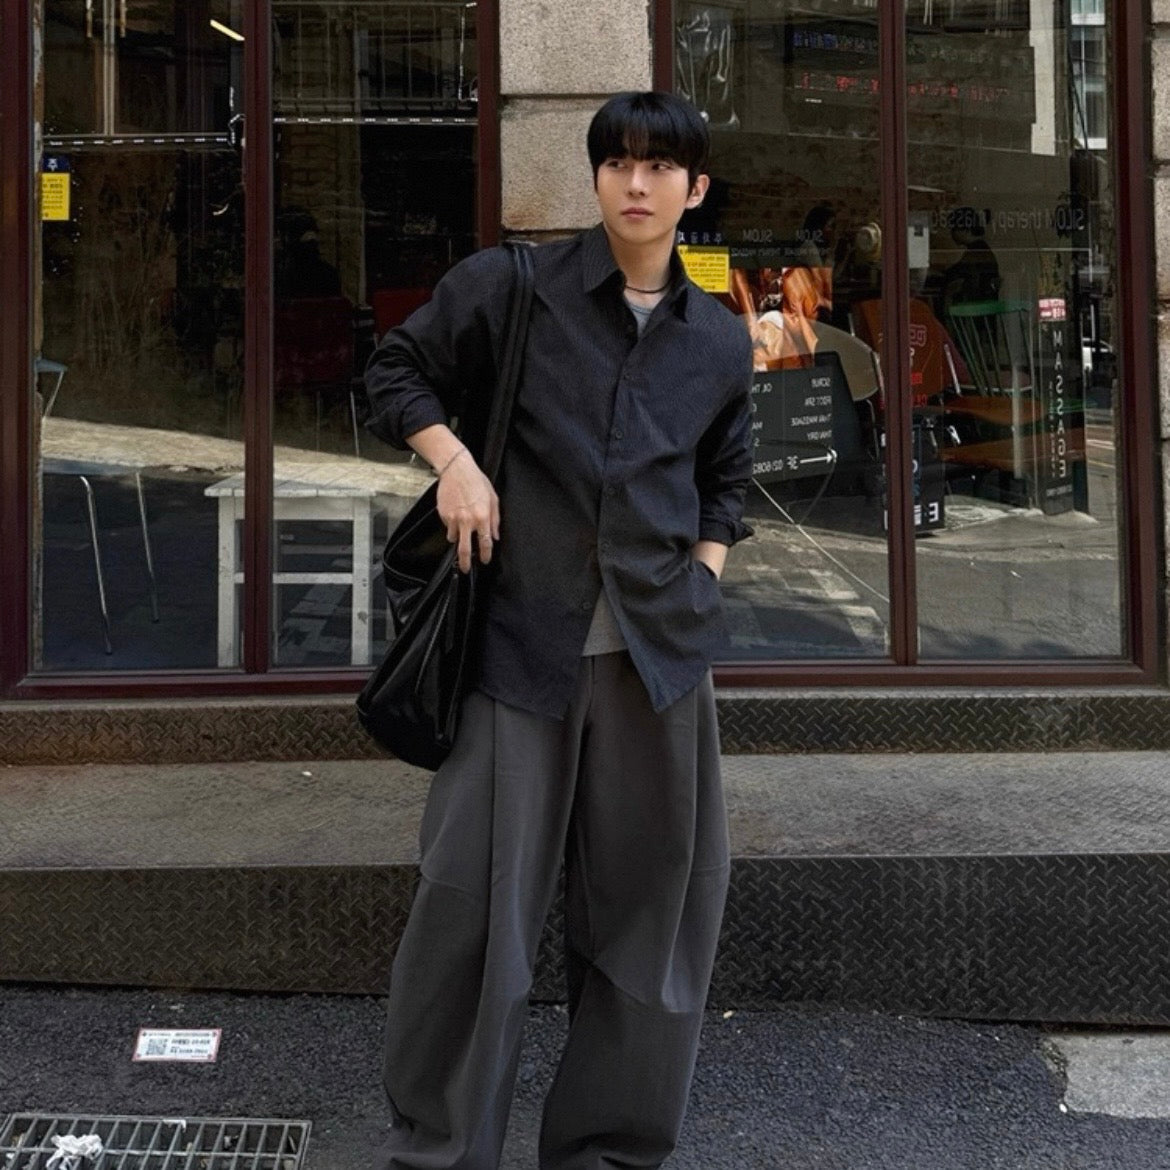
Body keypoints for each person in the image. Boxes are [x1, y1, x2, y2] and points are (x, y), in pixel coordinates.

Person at [363, 90, 754, 1170]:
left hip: (658, 665)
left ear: (694, 189)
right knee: (471, 914)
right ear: (596, 178)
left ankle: (608, 1149)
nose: (637, 183)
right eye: (618, 162)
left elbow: (725, 480)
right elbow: (395, 369)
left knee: (653, 916)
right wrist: (456, 463)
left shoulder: (717, 341)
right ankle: (442, 1151)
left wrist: (701, 577)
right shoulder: (515, 288)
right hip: (518, 652)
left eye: (660, 166)